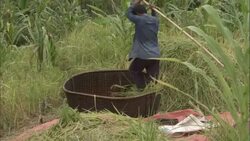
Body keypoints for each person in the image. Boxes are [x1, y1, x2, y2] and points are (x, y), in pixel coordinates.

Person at [127, 1, 160, 90]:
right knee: (153, 79)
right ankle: (151, 95)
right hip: (155, 55)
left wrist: (134, 4)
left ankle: (141, 89)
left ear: (137, 14)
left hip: (143, 55)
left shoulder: (139, 20)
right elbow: (154, 16)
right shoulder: (155, 20)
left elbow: (128, 14)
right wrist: (153, 10)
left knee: (133, 71)